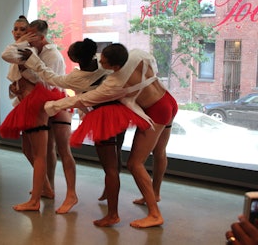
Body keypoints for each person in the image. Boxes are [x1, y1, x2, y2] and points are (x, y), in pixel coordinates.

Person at [44, 43, 178, 228]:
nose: (100, 61)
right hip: (167, 99)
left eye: (104, 61)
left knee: (134, 163)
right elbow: (151, 65)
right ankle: (154, 193)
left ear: (114, 66)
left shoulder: (115, 82)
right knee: (158, 152)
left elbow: (86, 98)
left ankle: (155, 214)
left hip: (156, 110)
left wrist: (54, 105)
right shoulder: (137, 54)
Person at [20, 38, 150, 227]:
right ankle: (109, 192)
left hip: (103, 118)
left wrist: (33, 61)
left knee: (110, 168)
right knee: (116, 158)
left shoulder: (77, 78)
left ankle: (113, 214)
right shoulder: (105, 65)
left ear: (74, 59)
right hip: (121, 113)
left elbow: (52, 78)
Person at [24, 19, 78, 214]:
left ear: (41, 36)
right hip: (45, 105)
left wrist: (28, 78)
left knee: (63, 149)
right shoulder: (35, 52)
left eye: (30, 35)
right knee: (45, 149)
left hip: (57, 103)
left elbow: (50, 84)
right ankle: (49, 186)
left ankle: (70, 193)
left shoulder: (52, 54)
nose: (26, 39)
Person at [1, 16, 54, 199]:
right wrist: (14, 87)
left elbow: (6, 55)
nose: (18, 33)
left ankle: (38, 197)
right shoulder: (21, 49)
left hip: (34, 103)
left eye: (22, 30)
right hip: (24, 103)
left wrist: (23, 42)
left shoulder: (27, 49)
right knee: (27, 149)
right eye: (15, 29)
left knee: (39, 152)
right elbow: (16, 76)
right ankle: (45, 187)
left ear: (31, 34)